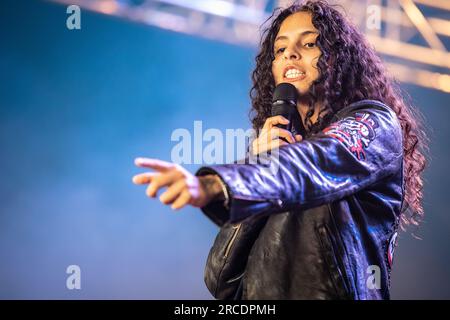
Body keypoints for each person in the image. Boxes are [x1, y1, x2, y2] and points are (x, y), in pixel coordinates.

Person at [132, 0, 427, 299]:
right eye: (280, 49)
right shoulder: (273, 162)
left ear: (339, 57)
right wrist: (256, 162)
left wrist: (215, 184)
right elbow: (221, 280)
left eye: (310, 43)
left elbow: (313, 162)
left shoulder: (374, 123)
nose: (290, 54)